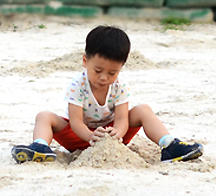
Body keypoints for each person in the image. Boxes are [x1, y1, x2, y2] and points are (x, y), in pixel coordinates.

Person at [11, 25, 203, 164]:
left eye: (112, 73)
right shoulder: (77, 85)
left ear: (121, 68)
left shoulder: (120, 86)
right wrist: (90, 136)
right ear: (85, 61)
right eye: (98, 70)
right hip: (80, 135)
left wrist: (117, 133)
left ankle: (169, 145)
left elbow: (121, 119)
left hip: (112, 135)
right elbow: (76, 121)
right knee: (44, 116)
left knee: (143, 109)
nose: (104, 78)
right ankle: (39, 146)